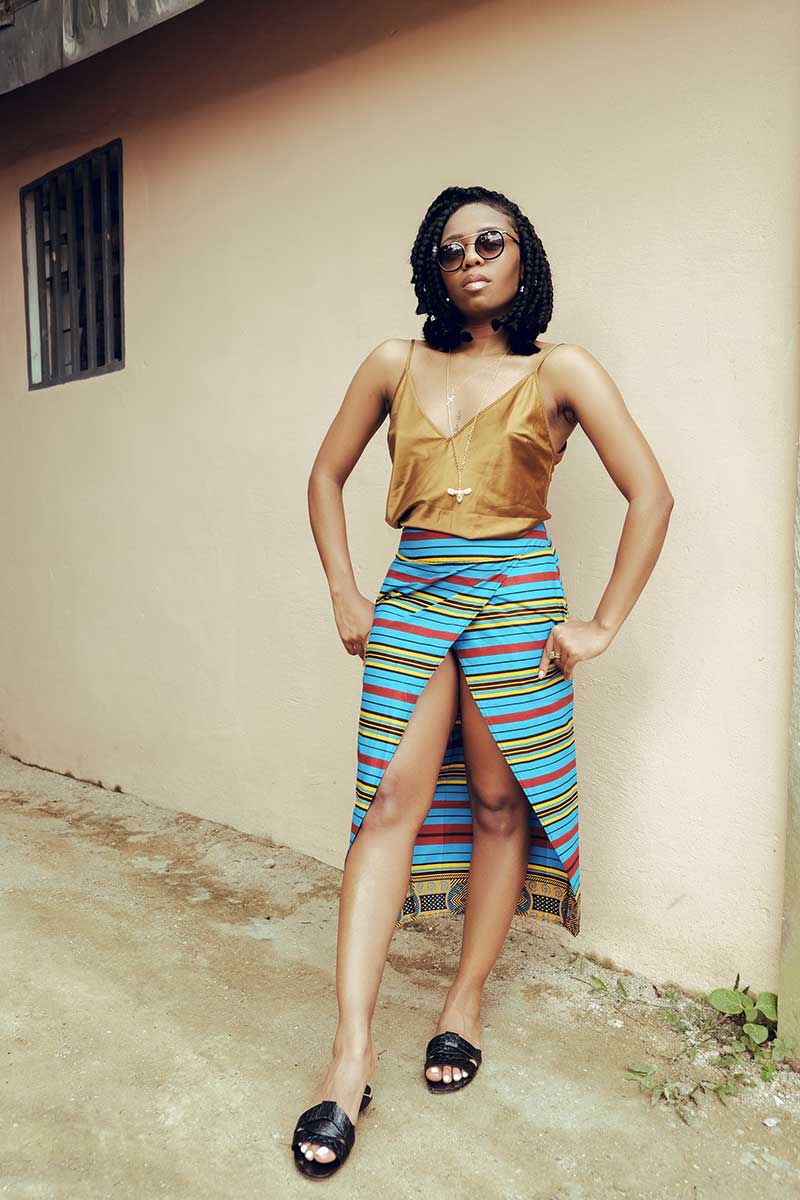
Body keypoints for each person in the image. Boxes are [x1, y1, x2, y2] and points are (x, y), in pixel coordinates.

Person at [292, 185, 674, 1178]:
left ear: (521, 255)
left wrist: (601, 623)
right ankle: (348, 1058)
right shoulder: (393, 362)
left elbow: (650, 494)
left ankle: (463, 1001)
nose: (468, 258)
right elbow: (324, 476)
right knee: (389, 804)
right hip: (415, 589)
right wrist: (344, 590)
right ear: (433, 265)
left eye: (488, 241)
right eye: (450, 246)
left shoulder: (562, 370)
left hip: (518, 595)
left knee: (503, 805)